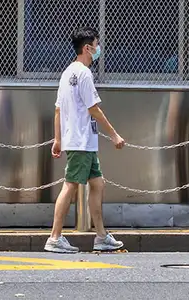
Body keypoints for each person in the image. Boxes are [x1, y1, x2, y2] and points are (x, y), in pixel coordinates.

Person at [45, 28, 125, 254]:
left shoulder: (66, 73)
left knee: (97, 184)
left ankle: (101, 236)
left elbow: (58, 110)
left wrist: (58, 140)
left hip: (81, 141)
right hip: (82, 141)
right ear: (87, 48)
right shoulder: (84, 74)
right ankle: (54, 237)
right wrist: (114, 134)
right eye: (96, 44)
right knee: (70, 185)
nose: (98, 48)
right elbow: (94, 109)